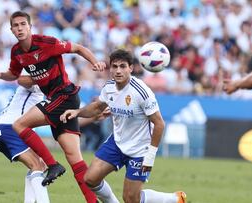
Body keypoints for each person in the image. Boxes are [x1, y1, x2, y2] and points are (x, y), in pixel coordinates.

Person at [0, 11, 105, 203]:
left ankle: (52, 165)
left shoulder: (46, 43)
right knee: (76, 160)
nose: (19, 28)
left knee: (19, 125)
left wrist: (96, 62)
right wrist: (0, 75)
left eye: (23, 24)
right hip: (57, 100)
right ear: (11, 30)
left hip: (64, 95)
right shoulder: (17, 52)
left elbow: (77, 48)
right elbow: (14, 74)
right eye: (15, 25)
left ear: (30, 27)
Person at [60, 49, 187, 203]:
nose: (118, 71)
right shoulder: (109, 87)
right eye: (114, 66)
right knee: (90, 179)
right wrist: (77, 112)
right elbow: (98, 107)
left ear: (131, 68)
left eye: (122, 66)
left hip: (140, 149)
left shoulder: (141, 92)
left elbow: (159, 124)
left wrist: (150, 156)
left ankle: (174, 199)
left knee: (131, 199)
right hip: (118, 142)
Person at [0, 74, 50, 203]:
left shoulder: (43, 93)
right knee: (36, 165)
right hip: (9, 128)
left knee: (40, 165)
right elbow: (21, 80)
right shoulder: (35, 87)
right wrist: (45, 77)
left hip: (4, 130)